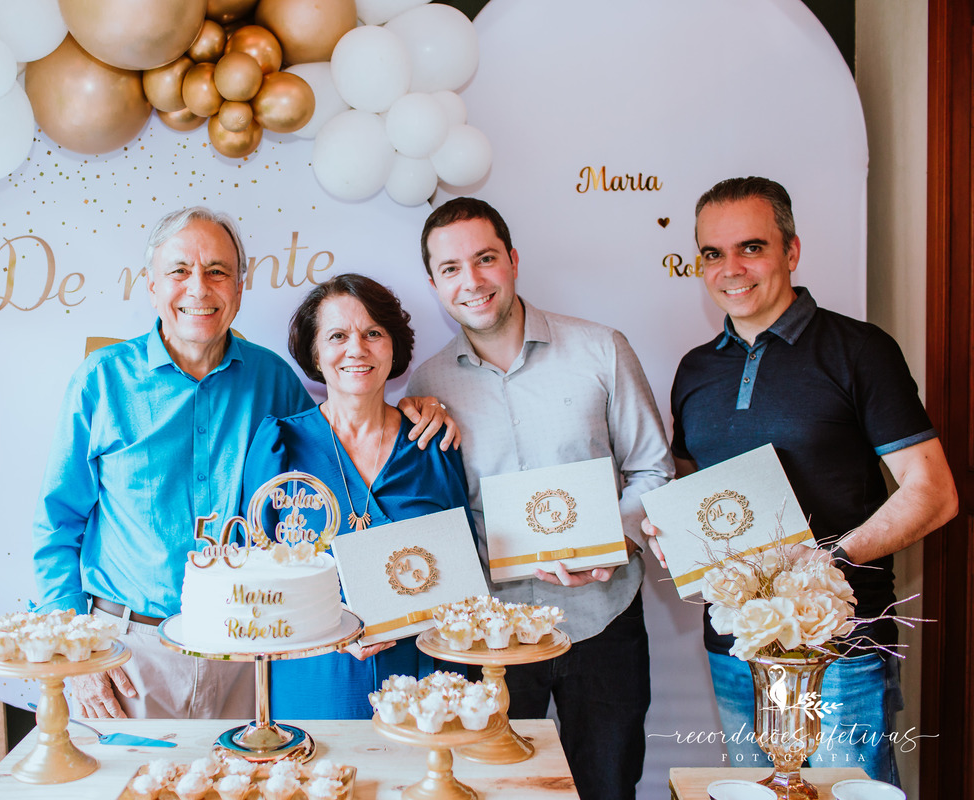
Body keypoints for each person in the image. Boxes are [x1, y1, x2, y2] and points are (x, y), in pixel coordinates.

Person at [32, 207, 456, 720]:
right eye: (179, 271)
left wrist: (419, 404)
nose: (198, 288)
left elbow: (340, 431)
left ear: (239, 285)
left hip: (247, 654)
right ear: (150, 285)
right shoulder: (101, 381)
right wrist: (74, 648)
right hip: (128, 653)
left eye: (217, 271)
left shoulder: (272, 379)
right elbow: (57, 526)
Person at [643, 176, 958, 784]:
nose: (730, 268)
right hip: (737, 648)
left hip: (839, 647)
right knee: (754, 796)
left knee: (845, 798)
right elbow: (694, 488)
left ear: (790, 251)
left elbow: (933, 492)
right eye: (712, 253)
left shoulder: (860, 351)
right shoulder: (695, 370)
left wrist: (822, 565)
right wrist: (674, 536)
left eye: (751, 248)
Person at [406, 197, 674, 800]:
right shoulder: (426, 387)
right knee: (499, 791)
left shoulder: (602, 349)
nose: (471, 281)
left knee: (608, 786)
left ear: (513, 260)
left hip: (603, 620)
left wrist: (616, 542)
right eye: (450, 269)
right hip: (489, 639)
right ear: (433, 283)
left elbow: (652, 470)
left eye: (485, 259)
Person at [242, 273, 472, 719]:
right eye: (337, 335)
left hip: (423, 678)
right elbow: (257, 576)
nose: (357, 349)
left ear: (393, 347)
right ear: (315, 352)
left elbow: (463, 574)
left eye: (373, 333)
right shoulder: (279, 445)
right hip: (314, 674)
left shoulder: (432, 441)